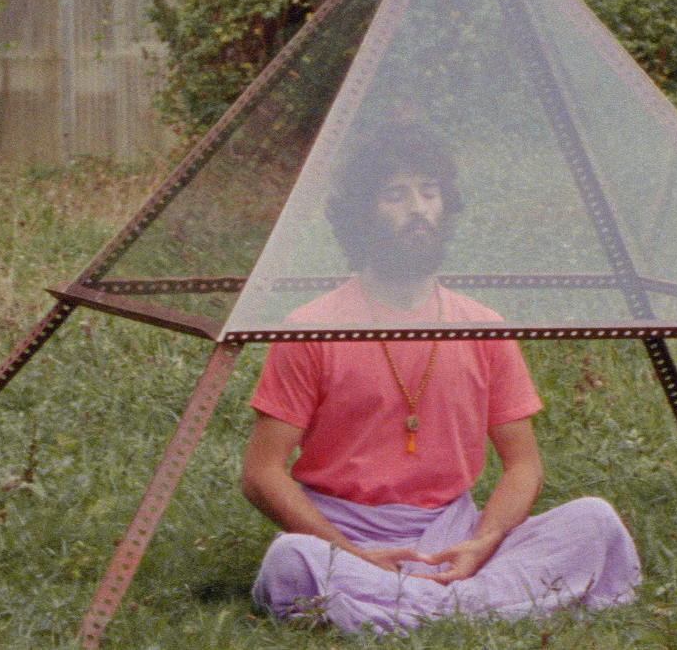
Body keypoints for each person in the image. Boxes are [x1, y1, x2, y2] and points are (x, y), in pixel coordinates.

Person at [242, 122, 641, 633]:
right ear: (361, 215)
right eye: (395, 194)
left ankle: (412, 607)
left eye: (429, 191)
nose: (418, 208)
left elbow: (523, 465)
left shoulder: (483, 326)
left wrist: (481, 544)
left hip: (452, 539)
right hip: (343, 538)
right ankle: (470, 608)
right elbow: (261, 473)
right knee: (291, 559)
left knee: (595, 521)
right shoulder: (310, 328)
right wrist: (353, 553)